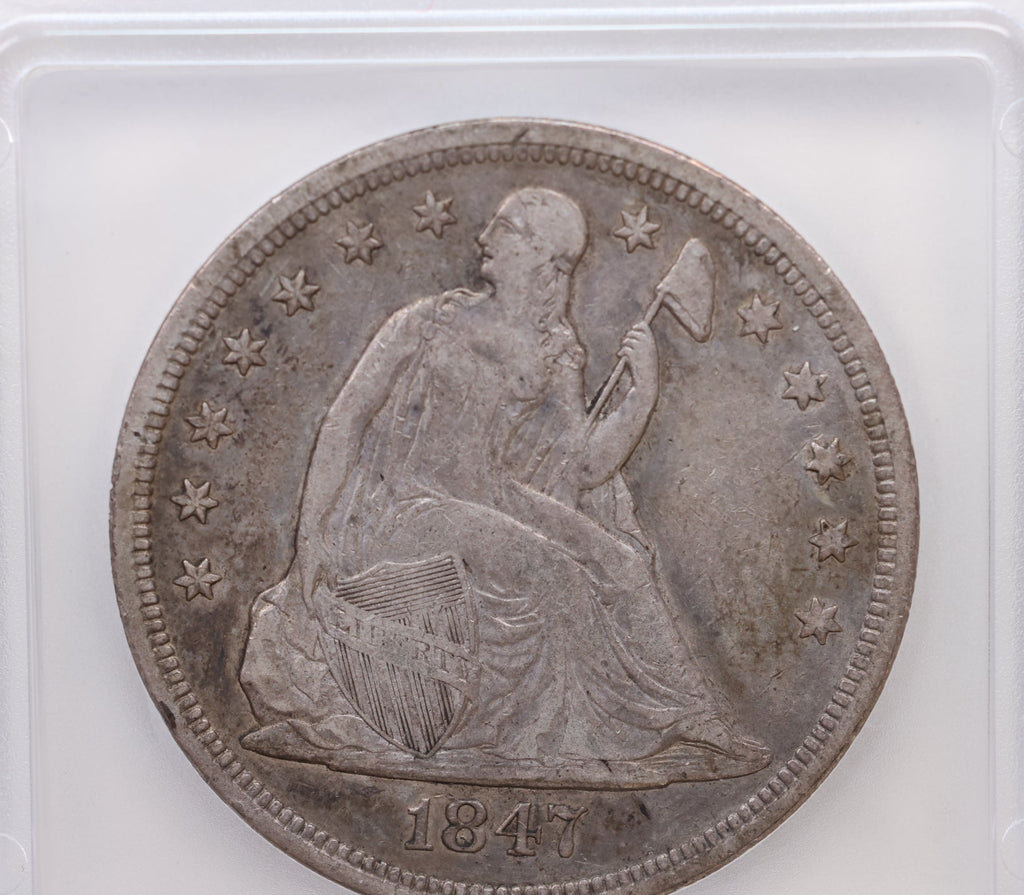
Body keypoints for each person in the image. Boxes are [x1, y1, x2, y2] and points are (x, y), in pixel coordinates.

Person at [238, 187, 770, 787]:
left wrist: (641, 395)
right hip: (406, 505)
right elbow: (344, 421)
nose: (485, 239)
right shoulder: (425, 323)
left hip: (493, 497)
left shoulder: (555, 347)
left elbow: (583, 467)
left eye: (506, 229)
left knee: (621, 562)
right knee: (551, 568)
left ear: (546, 257)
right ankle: (564, 739)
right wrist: (311, 537)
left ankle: (695, 720)